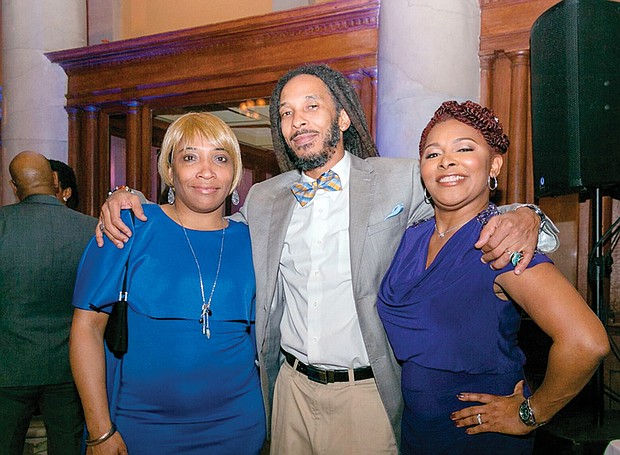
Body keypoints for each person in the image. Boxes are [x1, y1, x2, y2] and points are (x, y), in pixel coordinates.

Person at [96, 65, 558, 454]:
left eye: (312, 106)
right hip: (289, 390)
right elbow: (205, 225)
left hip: (367, 394)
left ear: (341, 118)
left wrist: (527, 215)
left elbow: (462, 193)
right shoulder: (263, 197)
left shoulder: (399, 180)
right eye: (287, 113)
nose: (298, 120)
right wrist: (132, 200)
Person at [377, 101, 609, 454]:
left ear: (493, 165)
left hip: (479, 435)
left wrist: (531, 414)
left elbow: (587, 341)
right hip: (417, 431)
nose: (446, 161)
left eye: (464, 149)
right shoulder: (412, 237)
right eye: (432, 153)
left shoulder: (499, 242)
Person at [70, 112, 265, 454]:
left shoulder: (254, 239)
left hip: (238, 425)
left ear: (235, 174)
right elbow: (86, 328)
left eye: (220, 158)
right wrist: (100, 431)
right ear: (170, 171)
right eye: (190, 158)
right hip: (140, 428)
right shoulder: (130, 227)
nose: (206, 171)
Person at [0, 151, 97, 455]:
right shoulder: (91, 228)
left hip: (9, 366)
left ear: (15, 187)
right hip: (70, 366)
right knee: (68, 448)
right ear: (55, 180)